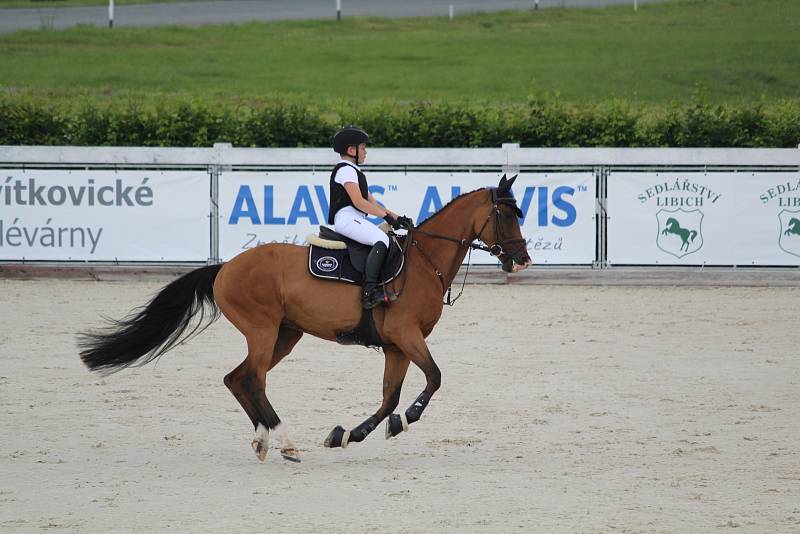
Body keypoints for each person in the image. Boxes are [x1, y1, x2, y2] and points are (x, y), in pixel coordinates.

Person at [328, 125, 412, 309]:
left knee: (385, 238)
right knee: (381, 240)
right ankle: (369, 292)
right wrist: (386, 217)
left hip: (355, 219)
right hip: (347, 219)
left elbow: (373, 203)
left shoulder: (355, 172)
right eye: (363, 148)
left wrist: (398, 218)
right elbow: (359, 202)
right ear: (351, 150)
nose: (365, 152)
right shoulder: (346, 170)